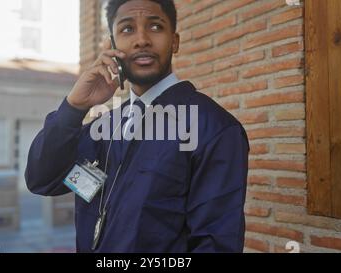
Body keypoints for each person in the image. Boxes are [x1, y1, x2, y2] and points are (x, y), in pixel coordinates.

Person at [26, 0, 249, 253]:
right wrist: (74, 107)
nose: (142, 39)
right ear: (112, 46)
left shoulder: (213, 129)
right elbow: (41, 179)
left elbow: (216, 245)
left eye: (155, 27)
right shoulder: (104, 127)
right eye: (127, 29)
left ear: (174, 42)